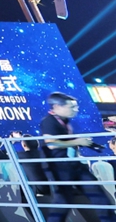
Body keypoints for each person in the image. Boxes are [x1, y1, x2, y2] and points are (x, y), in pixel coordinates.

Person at [38, 92, 115, 222]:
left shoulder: (65, 121)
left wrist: (84, 142)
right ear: (57, 107)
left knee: (98, 196)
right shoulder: (49, 121)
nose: (76, 109)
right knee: (63, 201)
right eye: (72, 107)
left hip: (73, 164)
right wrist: (77, 141)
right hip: (59, 167)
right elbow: (51, 144)